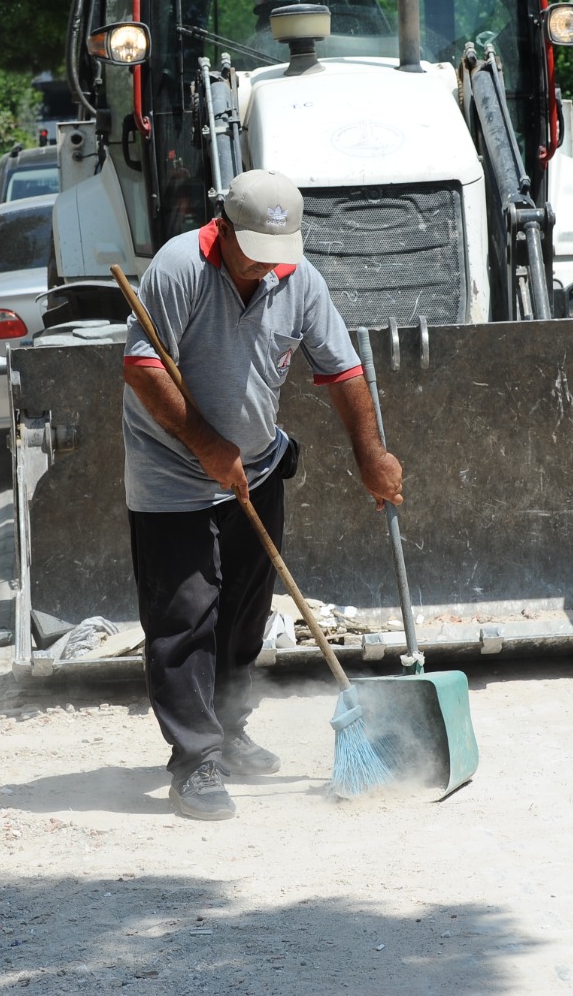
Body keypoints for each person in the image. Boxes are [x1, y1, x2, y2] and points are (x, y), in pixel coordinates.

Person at [121, 169, 404, 821]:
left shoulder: (296, 277)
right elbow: (141, 369)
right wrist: (205, 445)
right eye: (253, 252)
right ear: (222, 227)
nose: (265, 268)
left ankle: (229, 727)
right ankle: (196, 761)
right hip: (173, 477)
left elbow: (342, 368)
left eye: (277, 254)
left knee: (245, 613)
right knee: (185, 617)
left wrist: (371, 454)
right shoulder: (178, 267)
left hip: (258, 465)